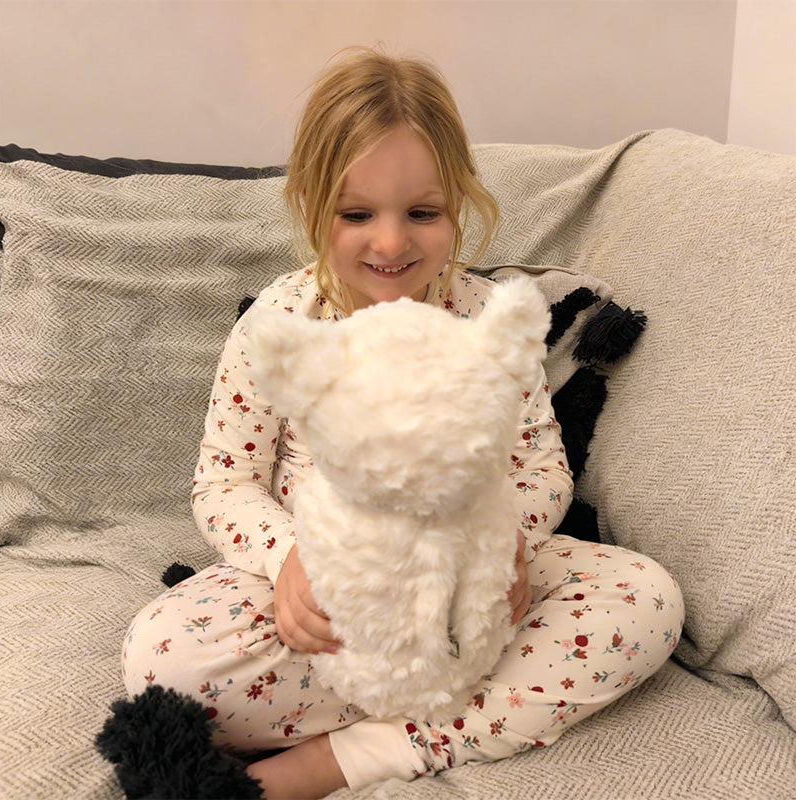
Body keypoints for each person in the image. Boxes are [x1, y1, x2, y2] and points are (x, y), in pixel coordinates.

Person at [122, 47, 685, 800]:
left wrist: (506, 544)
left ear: (458, 204)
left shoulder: (485, 320)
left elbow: (541, 469)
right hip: (331, 593)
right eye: (357, 215)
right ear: (312, 205)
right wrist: (290, 557)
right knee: (163, 663)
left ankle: (358, 753)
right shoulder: (279, 324)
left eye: (421, 213)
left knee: (647, 601)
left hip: (467, 588)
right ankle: (433, 688)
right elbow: (224, 481)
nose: (390, 244)